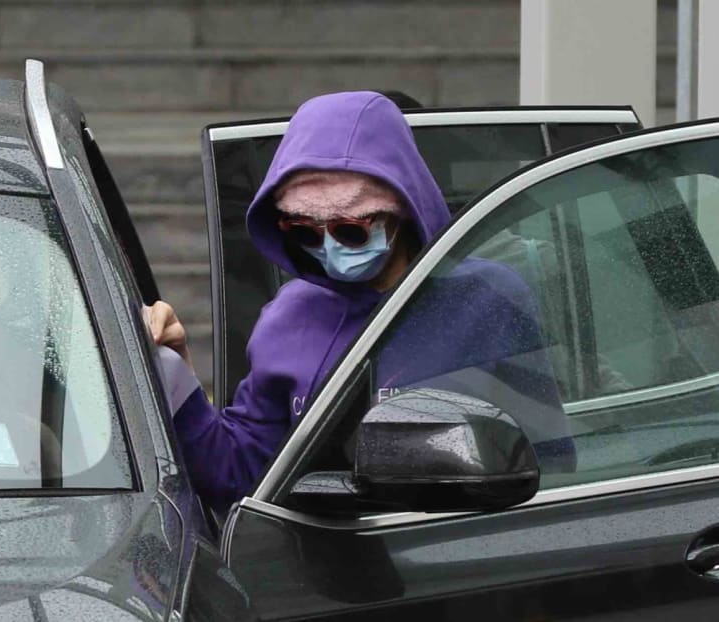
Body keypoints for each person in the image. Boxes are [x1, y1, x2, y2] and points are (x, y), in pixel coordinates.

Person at [147, 91, 573, 514]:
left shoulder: (488, 297)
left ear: (401, 210)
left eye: (351, 230)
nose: (330, 247)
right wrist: (172, 371)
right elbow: (238, 472)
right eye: (305, 233)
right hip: (319, 553)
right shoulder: (286, 316)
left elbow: (547, 460)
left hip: (453, 543)